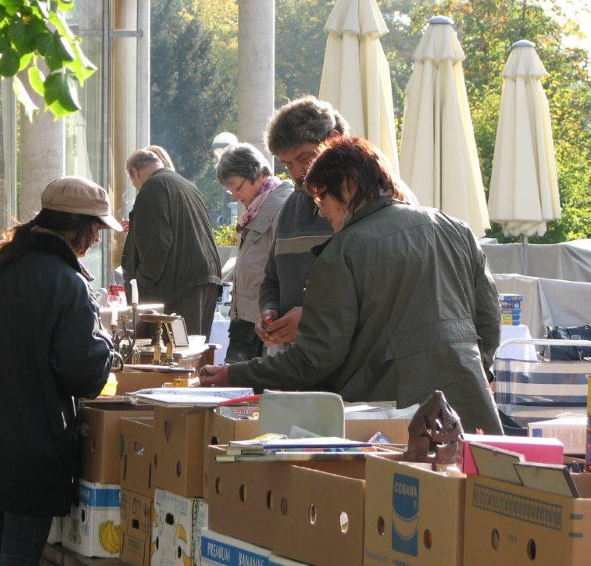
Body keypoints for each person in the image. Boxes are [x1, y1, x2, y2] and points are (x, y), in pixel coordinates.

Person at [200, 136, 503, 434]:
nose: (319, 211)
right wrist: (476, 370)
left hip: (388, 421)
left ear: (347, 187)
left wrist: (235, 373)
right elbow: (489, 322)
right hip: (469, 410)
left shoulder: (342, 251)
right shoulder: (457, 229)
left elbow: (315, 359)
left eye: (321, 198)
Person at [0, 176, 120, 564]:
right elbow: (84, 375)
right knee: (19, 556)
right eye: (94, 228)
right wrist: (106, 347)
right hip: (28, 450)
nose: (95, 239)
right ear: (76, 227)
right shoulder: (67, 282)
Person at [255, 96, 347, 350]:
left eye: (305, 158)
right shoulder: (290, 208)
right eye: (287, 164)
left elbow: (372, 296)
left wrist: (311, 318)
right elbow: (271, 279)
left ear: (334, 140)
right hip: (296, 363)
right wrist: (269, 309)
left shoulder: (364, 205)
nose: (297, 173)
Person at [122, 149, 222, 338]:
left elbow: (155, 248)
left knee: (174, 354)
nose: (136, 186)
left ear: (135, 172)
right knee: (194, 351)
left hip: (178, 290)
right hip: (205, 282)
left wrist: (143, 292)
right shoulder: (188, 186)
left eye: (133, 181)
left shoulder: (152, 187)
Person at [215, 143, 293, 362]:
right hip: (246, 321)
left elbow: (283, 269)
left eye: (237, 187)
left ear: (257, 174)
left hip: (263, 324)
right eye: (230, 191)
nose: (236, 196)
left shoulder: (281, 204)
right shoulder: (257, 208)